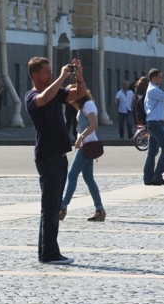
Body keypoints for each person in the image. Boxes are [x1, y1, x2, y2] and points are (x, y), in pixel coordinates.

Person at [24, 56, 87, 265]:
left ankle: (48, 252)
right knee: (50, 208)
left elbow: (80, 94)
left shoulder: (54, 92)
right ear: (35, 75)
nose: (50, 74)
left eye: (52, 71)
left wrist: (79, 77)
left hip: (59, 157)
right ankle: (49, 254)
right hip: (47, 157)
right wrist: (61, 77)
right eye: (46, 72)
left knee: (52, 207)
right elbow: (43, 99)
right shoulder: (31, 96)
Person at [61, 88, 106, 221]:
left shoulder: (88, 104)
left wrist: (80, 138)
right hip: (87, 144)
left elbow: (94, 124)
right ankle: (99, 209)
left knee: (72, 174)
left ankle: (62, 207)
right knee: (88, 178)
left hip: (87, 144)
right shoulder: (84, 106)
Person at [143, 68, 164, 186]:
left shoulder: (154, 90)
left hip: (154, 123)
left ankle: (148, 178)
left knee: (152, 152)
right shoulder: (153, 90)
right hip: (156, 124)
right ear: (153, 78)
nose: (162, 79)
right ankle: (157, 176)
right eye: (160, 77)